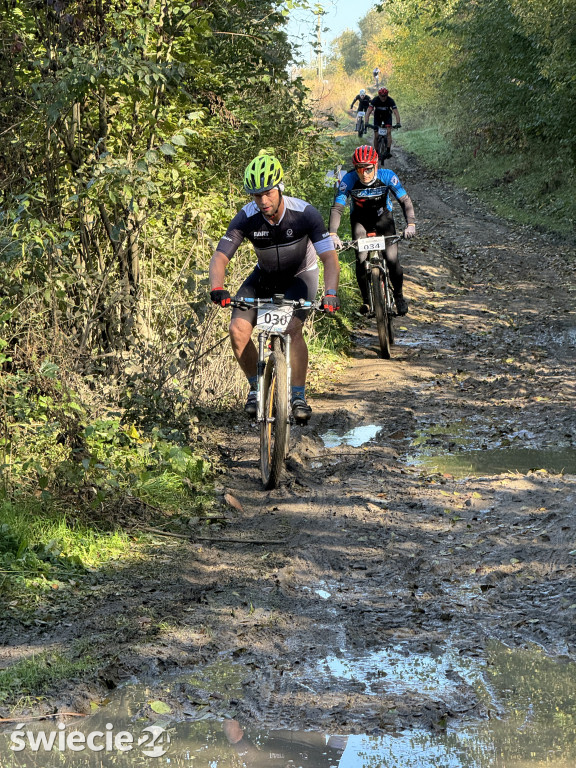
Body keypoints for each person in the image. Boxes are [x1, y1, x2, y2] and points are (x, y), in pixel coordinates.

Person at [209, 153, 340, 423]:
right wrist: (217, 287)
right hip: (264, 277)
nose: (263, 201)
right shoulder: (247, 217)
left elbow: (329, 257)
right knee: (238, 330)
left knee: (292, 329)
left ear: (280, 187)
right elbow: (220, 256)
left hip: (300, 277)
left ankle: (298, 395)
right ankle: (256, 388)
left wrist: (331, 294)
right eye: (256, 196)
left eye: (268, 193)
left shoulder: (304, 214)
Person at [328, 144, 416, 316]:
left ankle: (398, 296)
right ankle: (367, 301)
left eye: (368, 169)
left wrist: (410, 224)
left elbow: (405, 200)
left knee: (391, 259)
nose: (364, 174)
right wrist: (333, 233)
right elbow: (337, 208)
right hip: (360, 221)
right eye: (359, 169)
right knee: (361, 260)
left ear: (376, 165)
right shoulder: (349, 180)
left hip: (384, 219)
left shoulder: (387, 176)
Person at [365, 87, 401, 158]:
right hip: (377, 117)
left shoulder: (390, 100)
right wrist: (366, 122)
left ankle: (388, 151)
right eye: (382, 96)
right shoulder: (375, 100)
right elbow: (368, 112)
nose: (383, 98)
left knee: (388, 132)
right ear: (379, 95)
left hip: (387, 116)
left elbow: (396, 112)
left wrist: (398, 123)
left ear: (387, 95)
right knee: (376, 135)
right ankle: (376, 152)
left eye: (385, 96)